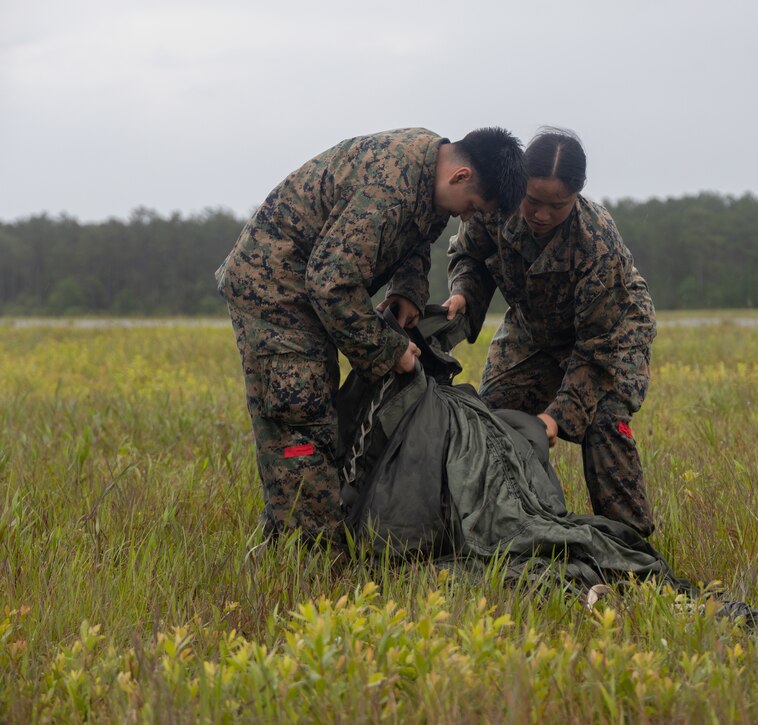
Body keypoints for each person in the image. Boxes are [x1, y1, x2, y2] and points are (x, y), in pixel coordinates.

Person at [216, 126, 527, 547]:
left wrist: (406, 291)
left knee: (313, 407)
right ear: (462, 176)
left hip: (306, 284)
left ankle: (285, 539)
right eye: (471, 207)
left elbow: (416, 240)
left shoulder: (433, 169)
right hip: (274, 288)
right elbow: (330, 282)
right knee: (300, 414)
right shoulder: (391, 186)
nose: (466, 218)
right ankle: (312, 554)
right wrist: (390, 351)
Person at [443, 128, 657, 537]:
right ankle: (502, 528)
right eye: (533, 201)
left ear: (575, 197)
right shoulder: (496, 206)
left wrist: (556, 418)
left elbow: (597, 351)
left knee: (605, 423)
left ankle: (630, 546)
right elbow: (469, 256)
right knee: (490, 421)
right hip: (534, 329)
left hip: (612, 335)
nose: (540, 214)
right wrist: (462, 296)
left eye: (555, 206)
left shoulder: (597, 244)